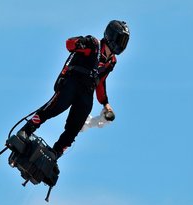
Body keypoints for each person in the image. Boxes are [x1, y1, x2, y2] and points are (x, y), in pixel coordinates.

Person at [17, 20, 130, 159]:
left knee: (75, 127)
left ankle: (54, 154)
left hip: (87, 92)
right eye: (121, 40)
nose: (122, 45)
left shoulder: (111, 62)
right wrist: (80, 42)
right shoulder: (94, 45)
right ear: (111, 36)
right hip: (73, 82)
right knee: (53, 109)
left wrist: (105, 104)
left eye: (125, 42)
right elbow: (69, 44)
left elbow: (101, 82)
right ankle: (25, 131)